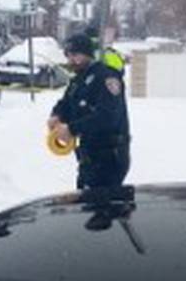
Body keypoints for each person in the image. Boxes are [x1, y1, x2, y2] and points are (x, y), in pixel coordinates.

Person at [48, 33, 131, 189]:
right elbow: (67, 103)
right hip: (89, 157)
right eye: (69, 55)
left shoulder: (106, 77)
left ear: (87, 54)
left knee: (104, 209)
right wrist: (57, 115)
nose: (72, 60)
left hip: (109, 157)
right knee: (85, 205)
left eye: (76, 55)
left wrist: (72, 129)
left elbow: (107, 116)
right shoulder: (78, 80)